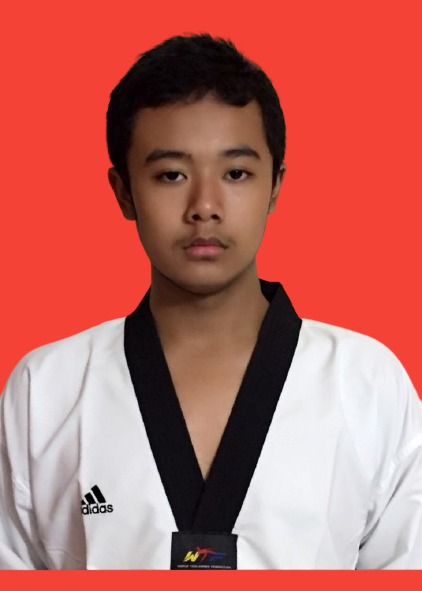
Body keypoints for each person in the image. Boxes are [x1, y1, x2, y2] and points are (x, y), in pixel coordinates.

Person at [0, 33, 421, 571]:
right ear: (124, 191)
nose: (204, 206)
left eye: (236, 173)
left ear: (275, 185)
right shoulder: (45, 390)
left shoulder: (368, 383)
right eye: (171, 175)